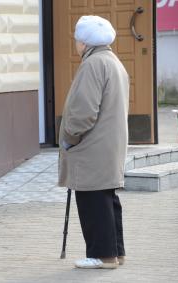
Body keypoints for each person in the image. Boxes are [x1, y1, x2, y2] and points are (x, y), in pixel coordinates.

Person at [58, 16, 129, 269]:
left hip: (92, 147)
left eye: (77, 39)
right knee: (107, 199)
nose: (76, 43)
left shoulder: (92, 65)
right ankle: (116, 253)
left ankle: (102, 256)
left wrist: (70, 138)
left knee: (92, 200)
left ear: (84, 42)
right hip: (108, 145)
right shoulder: (112, 61)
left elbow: (83, 111)